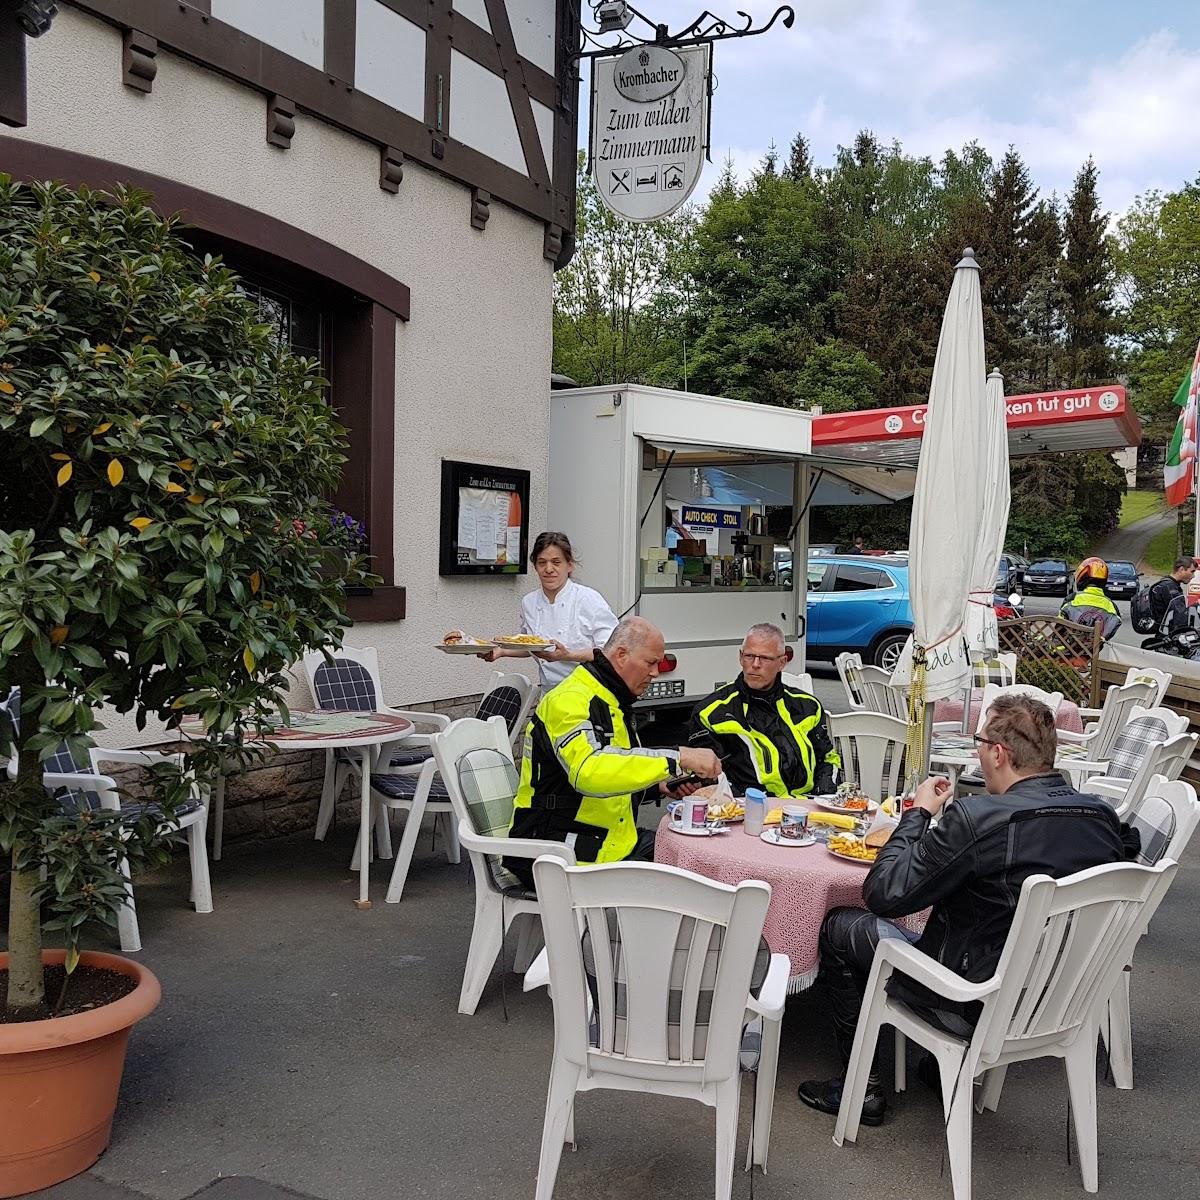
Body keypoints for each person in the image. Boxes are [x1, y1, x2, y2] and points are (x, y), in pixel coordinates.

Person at [797, 694, 1135, 1125]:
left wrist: (917, 815)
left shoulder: (978, 818)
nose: (977, 751)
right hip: (1058, 994)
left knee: (842, 924)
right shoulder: (1101, 816)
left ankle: (862, 1088)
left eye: (978, 741)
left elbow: (883, 893)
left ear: (998, 752)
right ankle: (935, 1068)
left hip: (970, 995)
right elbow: (1128, 856)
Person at [506, 617, 721, 884]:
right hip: (558, 852)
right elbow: (588, 772)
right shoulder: (570, 699)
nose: (656, 672)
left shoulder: (613, 698)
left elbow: (617, 769)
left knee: (701, 863)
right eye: (651, 662)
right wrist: (677, 758)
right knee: (686, 886)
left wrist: (661, 785)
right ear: (621, 655)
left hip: (607, 841)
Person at [689, 623, 841, 797]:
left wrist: (824, 796)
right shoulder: (710, 712)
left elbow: (828, 758)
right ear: (740, 657)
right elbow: (709, 776)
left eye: (765, 658)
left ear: (782, 662)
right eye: (749, 656)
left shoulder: (808, 706)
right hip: (745, 810)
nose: (755, 664)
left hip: (807, 808)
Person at [487, 531, 618, 691]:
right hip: (549, 692)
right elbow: (531, 645)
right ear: (535, 565)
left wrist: (568, 655)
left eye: (556, 562)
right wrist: (500, 651)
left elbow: (612, 650)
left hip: (589, 692)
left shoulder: (588, 599)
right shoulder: (529, 602)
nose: (549, 569)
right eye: (542, 562)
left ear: (569, 565)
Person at [1059, 557, 1121, 641]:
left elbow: (1059, 625)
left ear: (1082, 576)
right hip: (1093, 650)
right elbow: (1111, 629)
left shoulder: (1073, 598)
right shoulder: (1111, 606)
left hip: (1067, 648)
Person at [1149, 557, 1196, 636]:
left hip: (1165, 633)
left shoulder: (1166, 583)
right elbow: (1180, 615)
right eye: (1192, 571)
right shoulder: (1169, 587)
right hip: (1168, 636)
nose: (1193, 576)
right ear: (1181, 569)